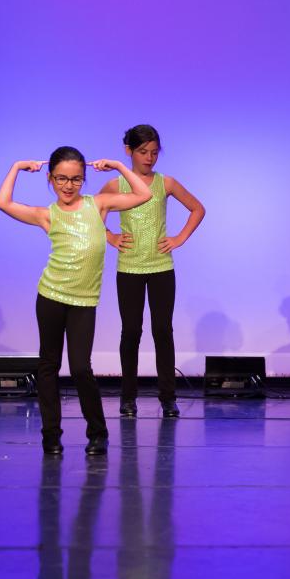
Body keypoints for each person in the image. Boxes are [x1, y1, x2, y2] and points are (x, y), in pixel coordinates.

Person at [0, 147, 152, 455]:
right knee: (49, 366)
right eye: (61, 179)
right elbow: (3, 203)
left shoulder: (99, 204)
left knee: (81, 368)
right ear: (51, 179)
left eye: (76, 179)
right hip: (51, 296)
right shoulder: (47, 214)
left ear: (84, 179)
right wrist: (16, 166)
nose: (68, 186)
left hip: (84, 302)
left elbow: (144, 194)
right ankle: (51, 436)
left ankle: (98, 433)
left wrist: (119, 165)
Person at [100, 125, 205, 418]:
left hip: (161, 267)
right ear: (128, 151)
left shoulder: (165, 183)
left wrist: (179, 238)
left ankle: (168, 398)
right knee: (131, 331)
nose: (149, 158)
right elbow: (94, 213)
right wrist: (110, 236)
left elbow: (197, 208)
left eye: (154, 152)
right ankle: (128, 398)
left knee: (162, 331)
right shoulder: (116, 185)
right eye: (143, 152)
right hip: (129, 267)